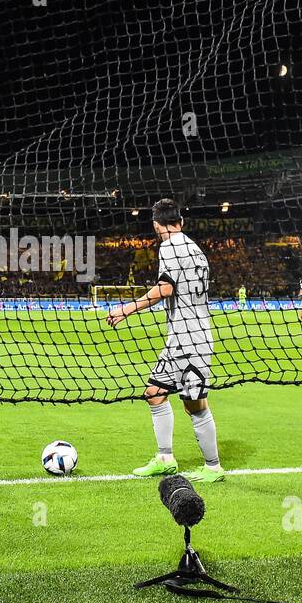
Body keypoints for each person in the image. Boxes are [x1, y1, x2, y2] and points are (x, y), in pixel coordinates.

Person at [106, 199, 222, 483]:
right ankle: (165, 458)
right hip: (185, 336)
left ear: (156, 225)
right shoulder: (195, 249)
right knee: (154, 392)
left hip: (189, 338)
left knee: (195, 404)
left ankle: (213, 466)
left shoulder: (169, 246)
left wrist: (126, 309)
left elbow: (165, 288)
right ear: (180, 221)